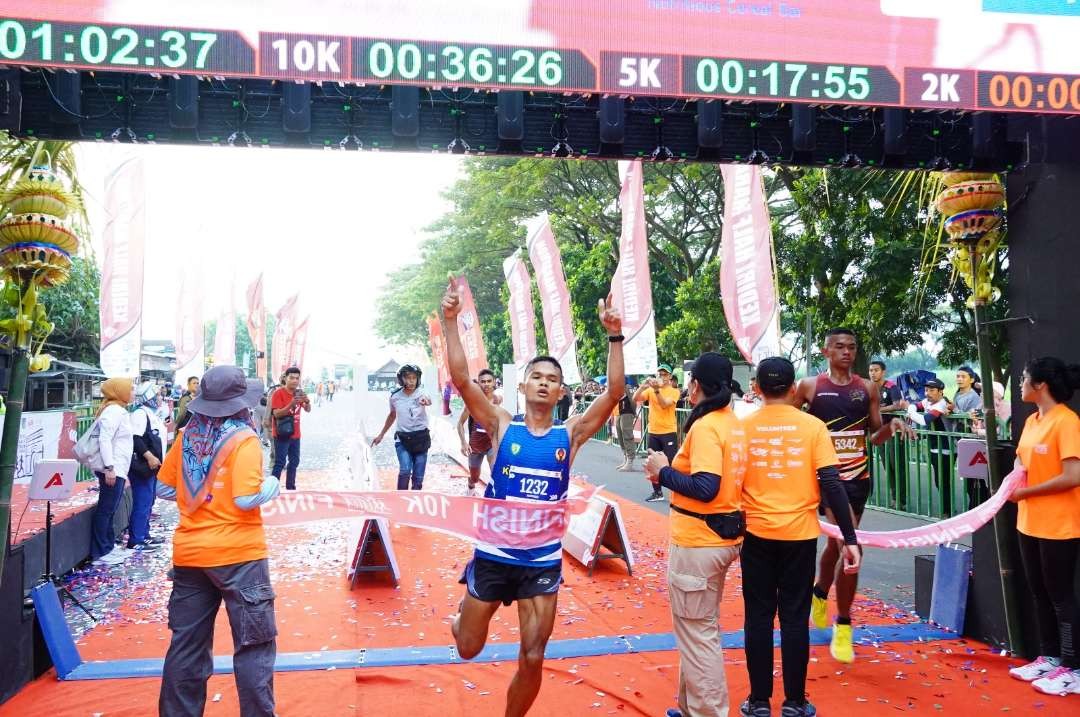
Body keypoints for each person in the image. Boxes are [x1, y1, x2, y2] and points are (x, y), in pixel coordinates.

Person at [441, 277, 624, 717]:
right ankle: (459, 621)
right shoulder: (505, 425)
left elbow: (615, 392)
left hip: (540, 561)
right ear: (523, 388)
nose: (544, 384)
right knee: (468, 648)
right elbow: (463, 380)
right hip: (493, 554)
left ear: (561, 392)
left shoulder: (571, 432)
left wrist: (614, 335)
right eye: (537, 378)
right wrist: (450, 322)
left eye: (553, 380)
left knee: (533, 656)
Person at [155, 366, 279, 716]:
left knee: (186, 647)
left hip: (190, 557)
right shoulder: (244, 439)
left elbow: (164, 488)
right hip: (240, 556)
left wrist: (200, 492)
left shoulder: (187, 437)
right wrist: (270, 487)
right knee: (254, 647)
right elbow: (244, 499)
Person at [740, 357, 860, 717]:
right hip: (800, 536)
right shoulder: (813, 427)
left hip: (756, 534)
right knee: (794, 618)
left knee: (758, 617)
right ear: (794, 390)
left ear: (757, 388)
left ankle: (759, 701)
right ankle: (794, 702)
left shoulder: (742, 428)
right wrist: (849, 538)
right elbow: (833, 484)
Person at [794, 327, 911, 664]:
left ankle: (819, 591)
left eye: (852, 347)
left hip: (859, 479)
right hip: (826, 479)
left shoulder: (867, 388)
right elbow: (788, 421)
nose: (847, 352)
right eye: (840, 347)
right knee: (849, 545)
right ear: (826, 351)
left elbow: (875, 435)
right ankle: (843, 625)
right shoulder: (810, 386)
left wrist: (893, 426)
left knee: (836, 545)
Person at [642, 353, 746, 717]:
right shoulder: (731, 422)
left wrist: (663, 471)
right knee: (698, 628)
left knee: (698, 634)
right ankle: (689, 708)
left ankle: (708, 711)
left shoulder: (706, 427)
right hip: (720, 538)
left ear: (696, 385)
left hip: (699, 542)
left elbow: (705, 486)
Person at [1006, 357, 1080, 697]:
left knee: (1061, 596)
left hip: (1060, 524)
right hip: (1029, 521)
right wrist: (1014, 483)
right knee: (1039, 592)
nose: (1020, 384)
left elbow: (1072, 476)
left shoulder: (1067, 422)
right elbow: (1022, 462)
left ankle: (1073, 666)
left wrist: (1023, 492)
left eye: (1023, 379)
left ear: (1041, 385)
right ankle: (1050, 656)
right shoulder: (1032, 421)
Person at [90, 378, 136, 566]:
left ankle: (108, 547)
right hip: (112, 468)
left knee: (109, 509)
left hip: (118, 468)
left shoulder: (118, 410)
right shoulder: (113, 411)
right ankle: (101, 551)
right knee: (106, 509)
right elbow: (104, 440)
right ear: (119, 391)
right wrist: (109, 468)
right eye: (130, 389)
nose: (133, 392)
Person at [372, 364, 433, 490]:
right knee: (405, 470)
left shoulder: (422, 393)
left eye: (414, 378)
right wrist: (381, 435)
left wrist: (426, 401)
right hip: (403, 439)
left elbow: (428, 400)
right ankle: (400, 499)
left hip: (421, 439)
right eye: (408, 378)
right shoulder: (395, 397)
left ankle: (415, 501)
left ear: (418, 379)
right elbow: (392, 415)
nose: (411, 381)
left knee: (418, 477)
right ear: (401, 379)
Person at [127, 381, 166, 552]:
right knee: (142, 501)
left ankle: (145, 534)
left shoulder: (152, 413)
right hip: (143, 466)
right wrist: (149, 456)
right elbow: (136, 439)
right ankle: (136, 539)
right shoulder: (140, 414)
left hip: (153, 465)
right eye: (156, 395)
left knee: (149, 501)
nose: (159, 398)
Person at [634, 364, 681, 502]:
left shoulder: (674, 391)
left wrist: (656, 391)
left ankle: (677, 491)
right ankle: (657, 492)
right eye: (659, 374)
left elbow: (665, 404)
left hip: (668, 431)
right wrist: (643, 386)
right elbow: (636, 398)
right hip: (654, 431)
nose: (661, 376)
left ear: (670, 377)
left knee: (672, 463)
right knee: (651, 463)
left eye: (665, 374)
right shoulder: (650, 390)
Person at [869, 360, 910, 510]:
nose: (873, 373)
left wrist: (879, 410)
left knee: (897, 466)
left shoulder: (891, 386)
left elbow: (897, 404)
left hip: (894, 432)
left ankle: (902, 501)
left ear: (883, 372)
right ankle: (894, 499)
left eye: (876, 370)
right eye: (871, 370)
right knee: (887, 467)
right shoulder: (870, 388)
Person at [457, 368, 499, 496]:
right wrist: (463, 443)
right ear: (478, 383)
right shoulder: (472, 402)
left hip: (492, 443)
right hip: (475, 445)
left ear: (494, 383)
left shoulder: (498, 400)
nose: (486, 384)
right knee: (475, 477)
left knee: (495, 472)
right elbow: (459, 423)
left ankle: (494, 498)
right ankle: (470, 487)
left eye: (489, 381)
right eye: (483, 381)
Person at [917, 378, 956, 516]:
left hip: (947, 447)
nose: (928, 393)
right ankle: (947, 509)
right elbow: (916, 405)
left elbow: (924, 420)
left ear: (940, 392)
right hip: (934, 446)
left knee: (944, 480)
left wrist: (910, 412)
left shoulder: (941, 404)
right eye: (926, 390)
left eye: (932, 390)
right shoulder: (927, 401)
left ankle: (948, 511)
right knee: (939, 481)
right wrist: (911, 408)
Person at [270, 367, 310, 490]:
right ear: (285, 378)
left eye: (297, 378)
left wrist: (307, 402)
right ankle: (271, 489)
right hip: (282, 434)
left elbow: (307, 410)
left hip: (296, 434)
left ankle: (290, 488)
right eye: (291, 378)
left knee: (294, 462)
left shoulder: (299, 393)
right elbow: (276, 414)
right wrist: (291, 404)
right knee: (280, 463)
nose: (294, 381)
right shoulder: (278, 393)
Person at [616, 378, 638, 472]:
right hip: (620, 412)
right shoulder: (617, 387)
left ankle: (630, 460)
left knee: (627, 435)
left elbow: (633, 401)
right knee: (620, 434)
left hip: (627, 412)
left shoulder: (627, 387)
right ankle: (625, 458)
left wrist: (633, 412)